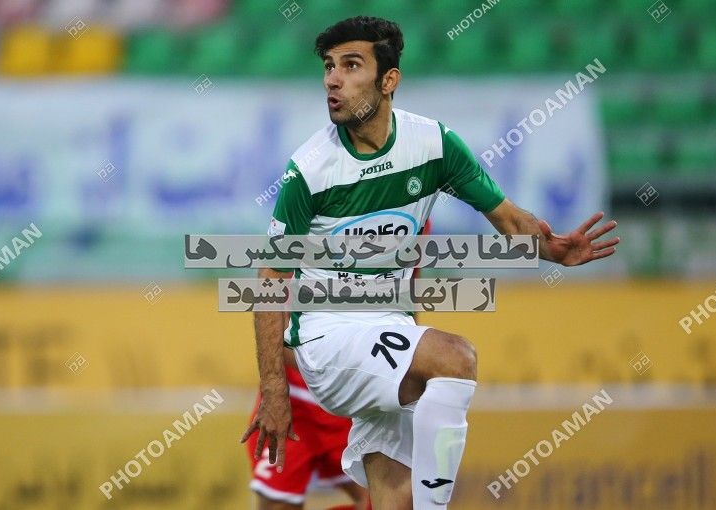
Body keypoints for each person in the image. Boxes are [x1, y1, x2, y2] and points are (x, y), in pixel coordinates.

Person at [241, 16, 619, 509]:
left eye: (351, 66)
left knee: (394, 499)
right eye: (329, 66)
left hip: (389, 326)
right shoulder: (310, 169)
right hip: (326, 337)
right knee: (454, 357)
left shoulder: (433, 145)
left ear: (389, 80)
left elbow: (507, 218)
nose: (333, 80)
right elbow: (270, 278)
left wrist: (552, 250)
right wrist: (274, 388)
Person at [245, 314, 371, 510]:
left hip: (352, 401)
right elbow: (270, 307)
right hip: (294, 403)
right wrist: (274, 392)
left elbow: (403, 315)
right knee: (278, 503)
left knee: (383, 498)